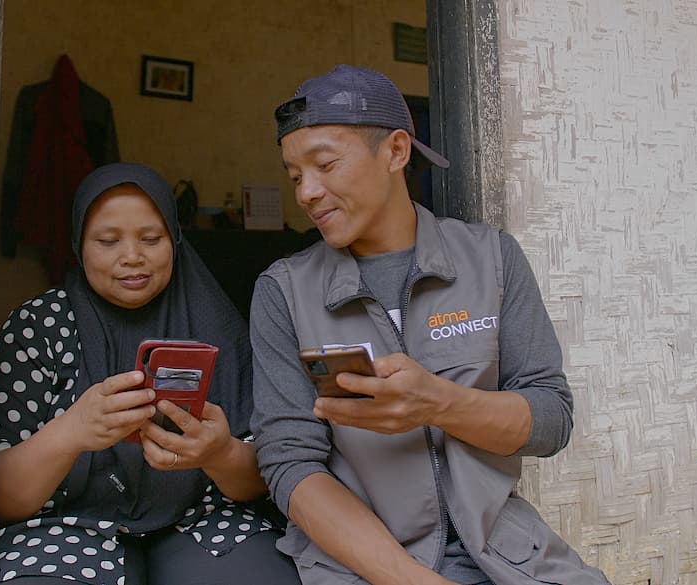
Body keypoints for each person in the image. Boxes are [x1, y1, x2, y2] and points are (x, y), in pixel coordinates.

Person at [250, 65, 611, 585]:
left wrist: (439, 403)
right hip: (362, 565)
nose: (306, 192)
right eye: (294, 176)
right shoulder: (284, 292)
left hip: (506, 552)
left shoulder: (491, 259)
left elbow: (551, 419)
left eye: (325, 164)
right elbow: (289, 464)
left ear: (396, 151)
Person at [0, 162, 300, 584]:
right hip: (61, 527)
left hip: (205, 520)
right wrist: (72, 431)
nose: (131, 257)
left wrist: (219, 452)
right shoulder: (38, 326)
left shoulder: (218, 324)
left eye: (151, 239)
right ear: (79, 246)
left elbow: (264, 476)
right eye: (107, 241)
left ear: (174, 240)